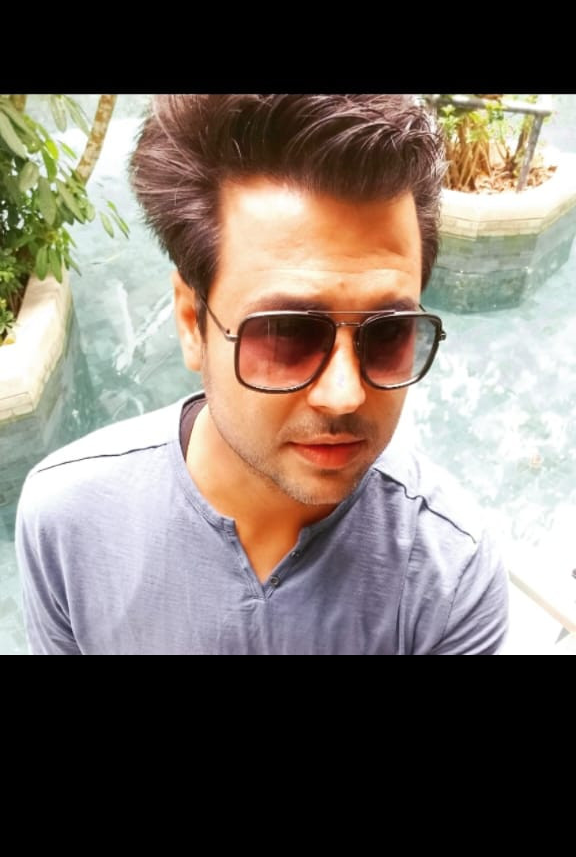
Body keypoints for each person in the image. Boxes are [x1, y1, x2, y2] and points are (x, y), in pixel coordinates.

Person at [15, 94, 509, 655]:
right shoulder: (69, 522)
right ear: (191, 321)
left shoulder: (449, 573)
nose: (344, 394)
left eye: (388, 333)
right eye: (286, 334)